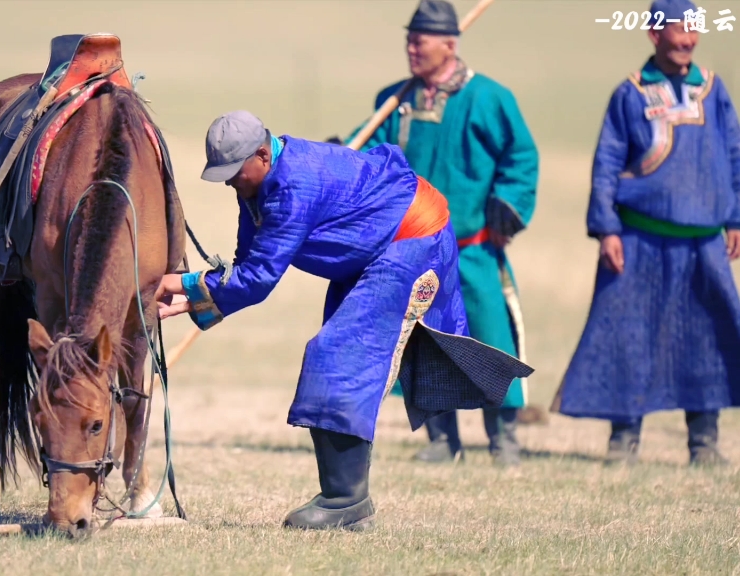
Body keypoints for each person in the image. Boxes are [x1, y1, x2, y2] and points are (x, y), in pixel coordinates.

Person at [155, 110, 532, 531]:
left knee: (336, 356)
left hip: (410, 241)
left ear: (262, 154)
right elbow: (250, 260)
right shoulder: (259, 184)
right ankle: (345, 501)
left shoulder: (296, 184)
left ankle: (344, 501)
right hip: (371, 250)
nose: (229, 182)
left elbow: (259, 278)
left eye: (234, 172)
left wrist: (179, 283)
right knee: (335, 355)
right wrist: (193, 297)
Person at [343, 0, 539, 466]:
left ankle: (503, 437)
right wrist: (341, 159)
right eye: (409, 38)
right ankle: (441, 439)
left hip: (471, 247)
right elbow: (374, 155)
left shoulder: (489, 98)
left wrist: (505, 208)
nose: (412, 47)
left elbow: (522, 158)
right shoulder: (394, 100)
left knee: (490, 339)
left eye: (421, 39)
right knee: (423, 340)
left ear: (450, 43)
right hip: (414, 250)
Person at [554, 0, 740, 466]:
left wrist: (735, 217)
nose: (689, 40)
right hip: (638, 240)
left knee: (706, 335)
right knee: (629, 336)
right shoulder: (631, 95)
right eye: (680, 30)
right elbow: (607, 165)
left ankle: (704, 442)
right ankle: (624, 439)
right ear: (655, 35)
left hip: (702, 240)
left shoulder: (714, 90)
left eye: (695, 31)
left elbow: (734, 155)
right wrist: (607, 229)